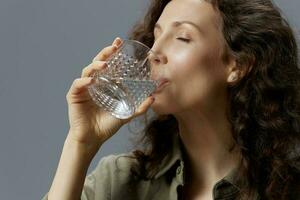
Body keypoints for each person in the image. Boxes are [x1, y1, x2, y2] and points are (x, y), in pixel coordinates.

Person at [42, 0, 300, 199]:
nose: (154, 52)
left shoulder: (288, 187)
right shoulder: (120, 181)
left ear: (237, 65)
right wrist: (80, 143)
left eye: (182, 38)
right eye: (156, 36)